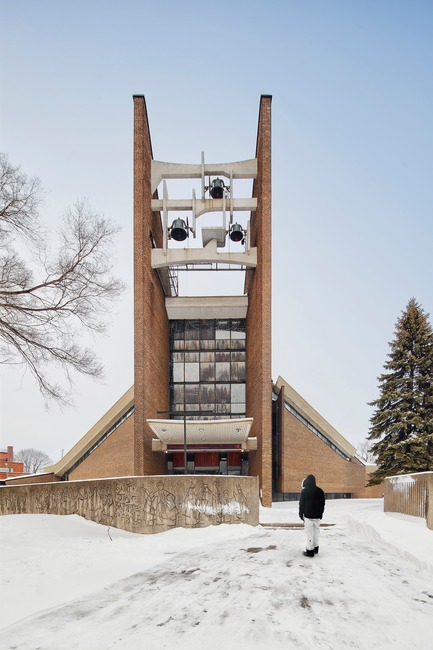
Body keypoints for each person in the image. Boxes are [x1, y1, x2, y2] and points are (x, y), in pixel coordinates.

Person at [299, 474, 325, 557]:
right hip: (317, 516)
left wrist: (300, 514)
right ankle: (316, 547)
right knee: (316, 531)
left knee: (309, 532)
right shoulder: (320, 491)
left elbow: (301, 504)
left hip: (308, 516)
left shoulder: (304, 491)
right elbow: (323, 504)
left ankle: (310, 551)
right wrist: (321, 514)